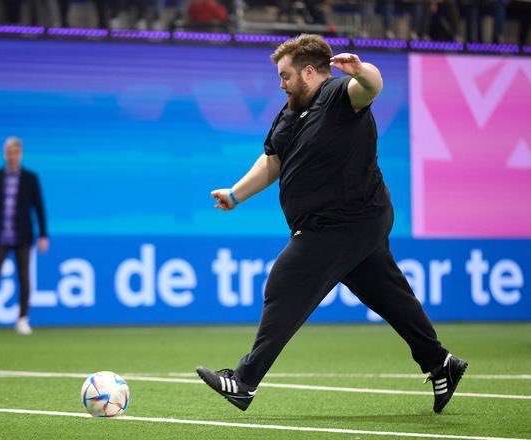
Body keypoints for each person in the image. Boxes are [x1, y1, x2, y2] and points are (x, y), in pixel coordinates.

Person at [196, 34, 467, 414]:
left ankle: (244, 380)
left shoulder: (339, 95)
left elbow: (371, 87)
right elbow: (272, 161)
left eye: (285, 75)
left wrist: (362, 70)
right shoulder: (288, 113)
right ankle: (441, 363)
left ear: (309, 72)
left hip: (347, 219)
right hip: (348, 224)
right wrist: (236, 194)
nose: (281, 84)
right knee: (388, 295)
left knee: (286, 279)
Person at [0, 136, 49, 335]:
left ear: (20, 154)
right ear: (4, 154)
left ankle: (23, 318)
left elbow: (38, 207)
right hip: (0, 235)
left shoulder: (30, 178)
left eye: (15, 152)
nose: (12, 156)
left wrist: (43, 234)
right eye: (9, 152)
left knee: (24, 278)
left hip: (23, 236)